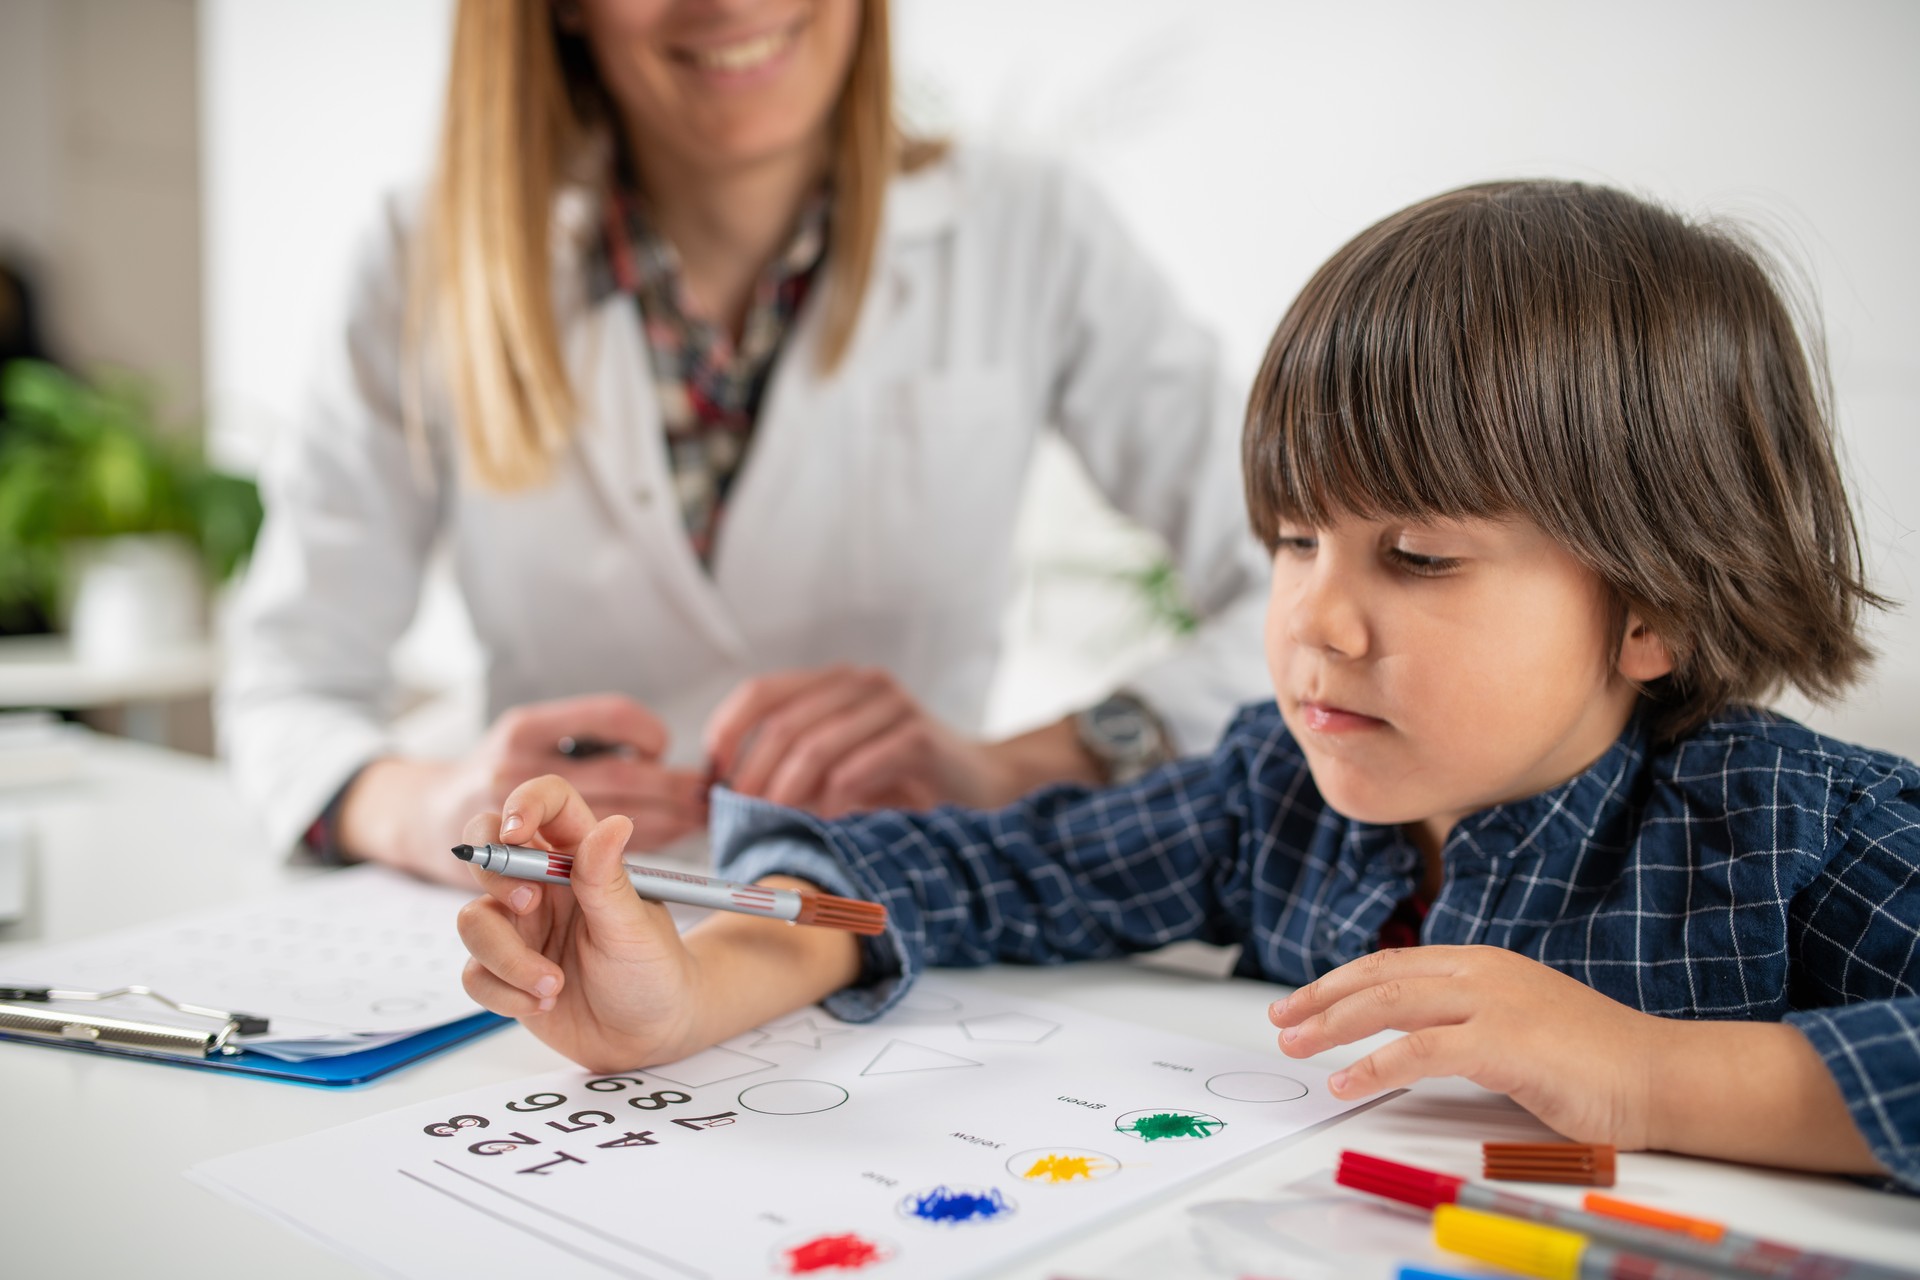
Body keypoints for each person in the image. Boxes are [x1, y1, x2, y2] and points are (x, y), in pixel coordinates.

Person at [455, 180, 1920, 1190]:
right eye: (1292, 540)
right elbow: (954, 878)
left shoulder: (1782, 826)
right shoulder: (1269, 800)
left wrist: (1654, 1077)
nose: (1314, 623)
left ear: (1654, 604)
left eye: (1416, 556)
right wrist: (688, 987)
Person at [218, 0, 1269, 882]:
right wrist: (427, 805)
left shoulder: (1035, 229)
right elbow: (287, 683)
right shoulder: (424, 254)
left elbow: (1307, 591)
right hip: (548, 937)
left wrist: (1061, 754)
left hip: (891, 914)